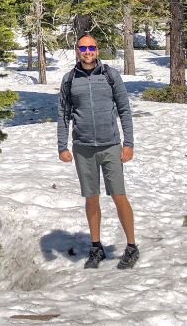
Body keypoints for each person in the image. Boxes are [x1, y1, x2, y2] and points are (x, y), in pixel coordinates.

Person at [57, 33, 138, 269]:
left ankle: (131, 246)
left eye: (91, 47)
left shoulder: (110, 76)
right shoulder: (69, 79)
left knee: (118, 195)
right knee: (91, 199)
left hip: (111, 145)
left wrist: (128, 143)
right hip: (83, 148)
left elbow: (124, 110)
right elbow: (63, 115)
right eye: (83, 48)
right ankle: (96, 247)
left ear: (97, 50)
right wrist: (62, 146)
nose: (87, 51)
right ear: (77, 51)